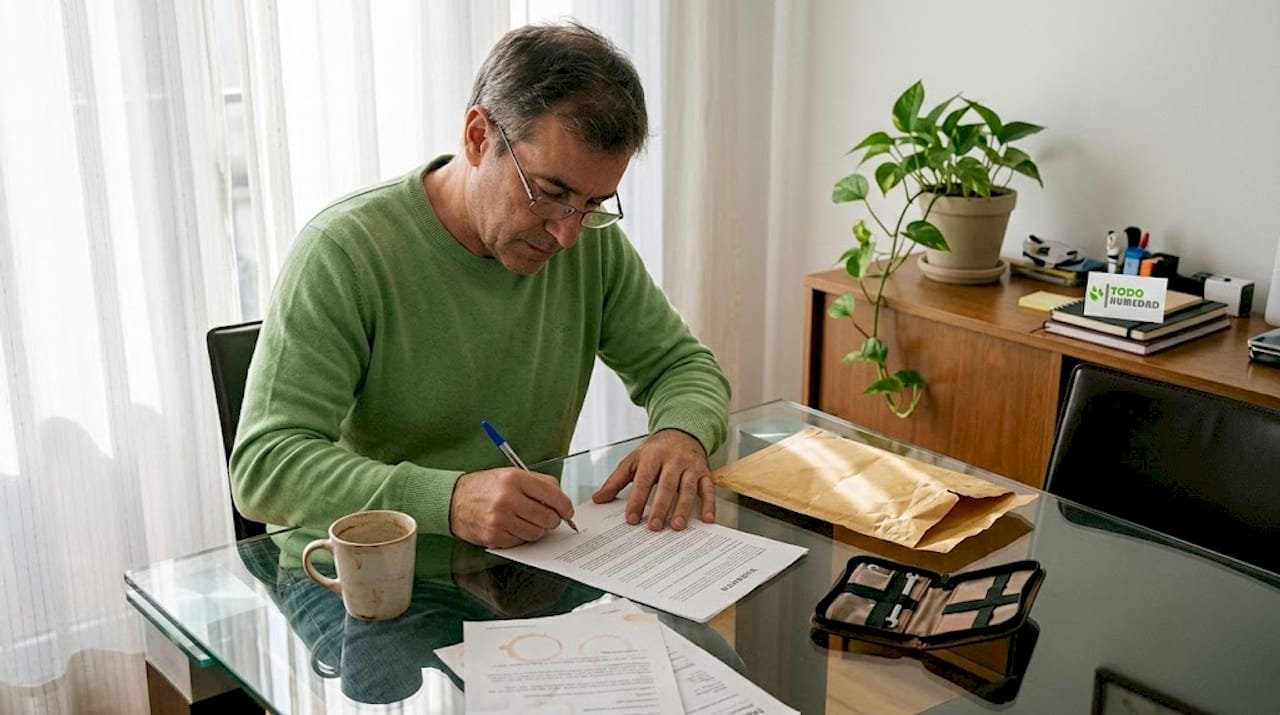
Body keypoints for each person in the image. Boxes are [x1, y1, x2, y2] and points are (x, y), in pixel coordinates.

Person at [231, 22, 731, 549]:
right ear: (478, 137)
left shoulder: (588, 242)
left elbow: (682, 366)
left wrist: (682, 433)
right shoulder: (345, 251)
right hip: (361, 578)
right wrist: (449, 502)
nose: (566, 233)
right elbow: (266, 465)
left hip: (526, 564)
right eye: (549, 192)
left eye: (594, 205)